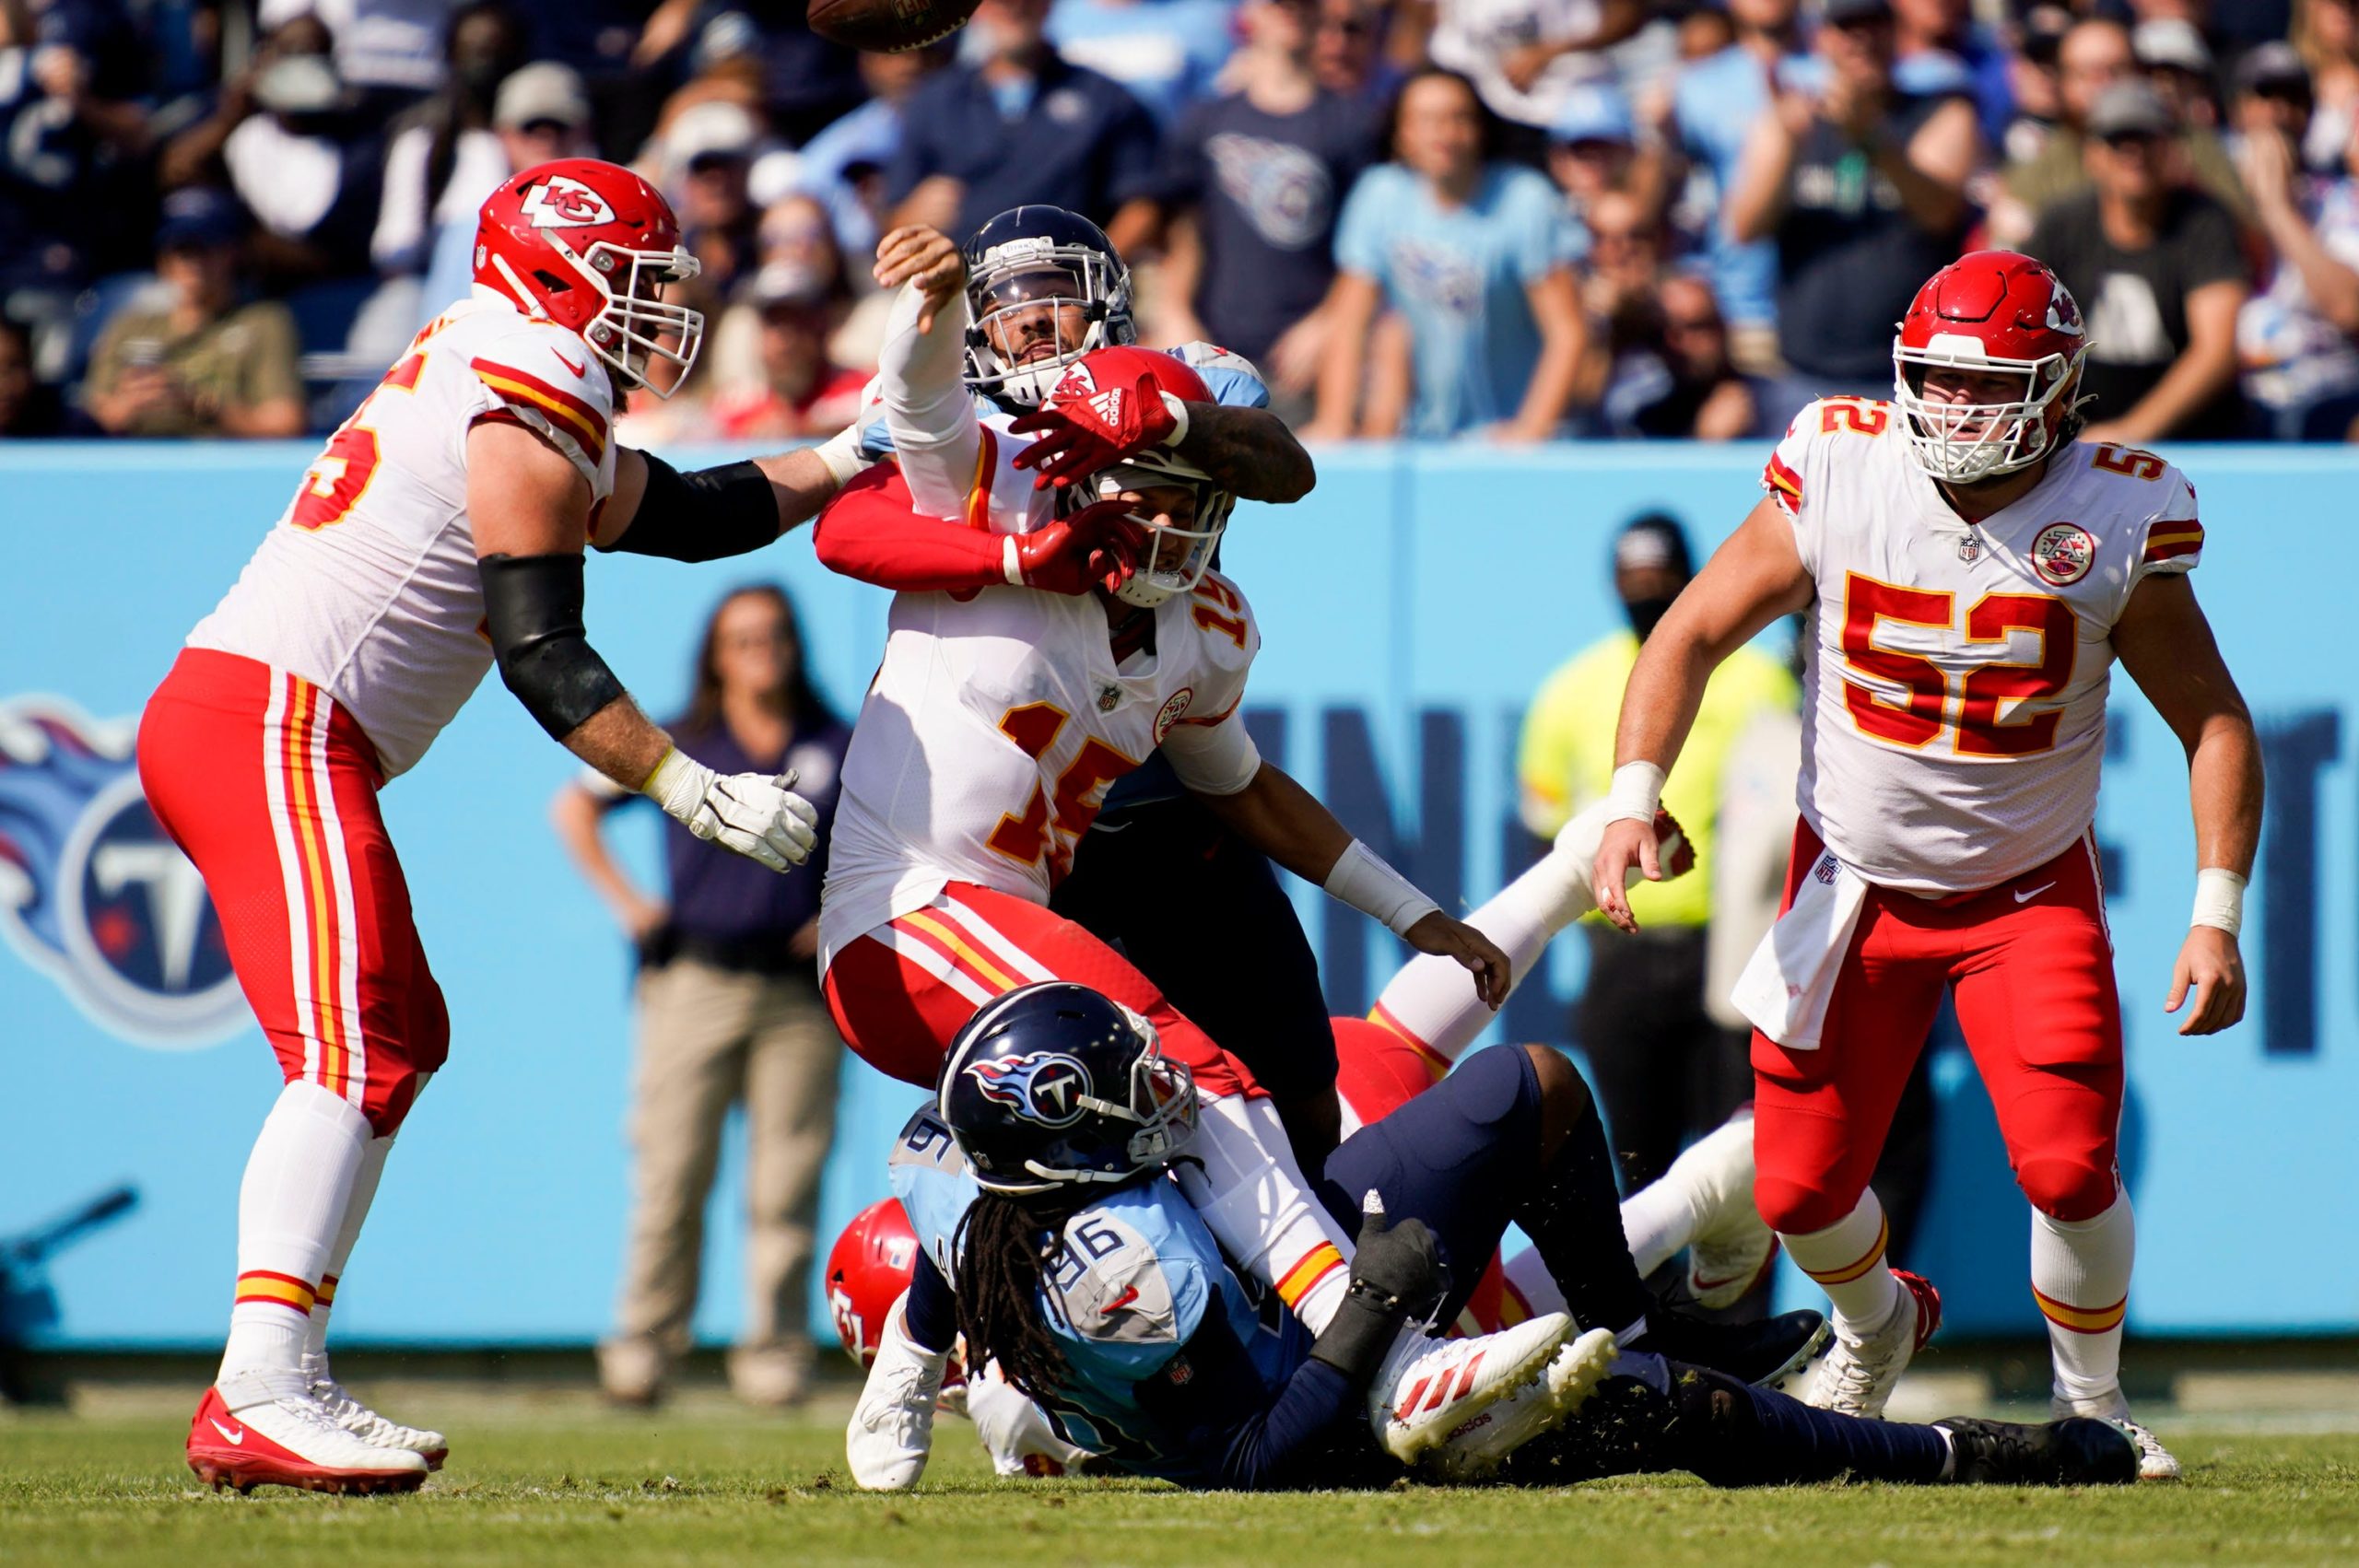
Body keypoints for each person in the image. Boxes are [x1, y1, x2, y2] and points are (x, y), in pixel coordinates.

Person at [148, 157, 879, 1495]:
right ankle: (257, 1380)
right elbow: (544, 652)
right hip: (269, 719)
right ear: (559, 268)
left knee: (399, 1032)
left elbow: (693, 514)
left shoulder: (518, 366)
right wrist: (684, 785)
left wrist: (846, 453)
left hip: (287, 724)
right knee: (355, 1042)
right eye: (641, 282)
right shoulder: (529, 372)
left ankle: (285, 1368)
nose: (662, 312)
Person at [810, 243, 1548, 1468]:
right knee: (1182, 1059)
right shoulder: (1004, 502)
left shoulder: (1204, 628)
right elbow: (921, 410)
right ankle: (1392, 1356)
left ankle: (948, 1367)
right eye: (1145, 488)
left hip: (1001, 950)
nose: (1166, 521)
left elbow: (1243, 789)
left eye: (1191, 498)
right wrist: (929, 303)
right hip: (902, 908)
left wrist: (1413, 912)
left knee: (1122, 1153)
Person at [1590, 250, 2264, 1482]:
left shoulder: (2117, 507)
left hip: (2024, 893)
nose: (1955, 410)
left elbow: (2213, 719)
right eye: (1938, 379)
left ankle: (2094, 1402)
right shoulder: (1844, 464)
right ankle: (1876, 1321)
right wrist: (1633, 796)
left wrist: (2216, 910)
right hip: (1850, 882)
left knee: (2066, 1164)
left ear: (2060, 391)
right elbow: (1687, 629)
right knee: (1796, 1193)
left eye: (1987, 384)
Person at [854, 979, 2139, 1492]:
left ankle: (1638, 1303)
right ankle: (1958, 1451)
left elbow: (939, 1275)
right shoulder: (1114, 1272)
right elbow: (1256, 1457)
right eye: (1124, 1084)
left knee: (1531, 1085)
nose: (1158, 1082)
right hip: (1339, 1399)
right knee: (1667, 1411)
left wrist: (908, 1365)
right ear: (1066, 1143)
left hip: (1278, 1279)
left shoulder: (977, 1186)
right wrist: (1367, 1314)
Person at [841, 205, 1343, 1170]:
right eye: (1005, 303)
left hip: (1158, 768)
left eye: (1052, 294)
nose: (1030, 320)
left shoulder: (1180, 374)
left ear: (1107, 300)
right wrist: (1023, 555)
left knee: (1292, 1087)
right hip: (1026, 820)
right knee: (1069, 1105)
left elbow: (1284, 464)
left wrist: (1164, 415)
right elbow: (844, 529)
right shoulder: (949, 407)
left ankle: (1322, 1285)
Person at [552, 584, 853, 1410]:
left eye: (774, 635)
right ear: (716, 655)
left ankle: (774, 1355)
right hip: (695, 979)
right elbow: (574, 806)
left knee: (786, 1183)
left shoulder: (836, 744)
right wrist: (631, 905)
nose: (762, 650)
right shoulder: (683, 741)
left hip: (799, 994)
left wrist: (838, 913)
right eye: (742, 637)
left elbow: (888, 845)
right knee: (671, 1174)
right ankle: (643, 1349)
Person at [1519, 515, 1794, 1198]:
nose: (1649, 595)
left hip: (1727, 954)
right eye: (1635, 583)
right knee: (1638, 1162)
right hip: (1624, 957)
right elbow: (1543, 826)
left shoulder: (1758, 680)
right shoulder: (1571, 690)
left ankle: (1735, 1309)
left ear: (1693, 579)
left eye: (1664, 581)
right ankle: (1649, 1306)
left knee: (1736, 1161)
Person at [1109, 0, 1383, 408]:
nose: (1291, 11)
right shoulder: (1207, 118)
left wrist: (1327, 325)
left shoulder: (1353, 123)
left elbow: (1366, 245)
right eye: (1277, 4)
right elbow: (1185, 229)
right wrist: (1176, 309)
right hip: (1215, 348)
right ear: (1248, 14)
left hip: (1306, 355)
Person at [1725, 0, 1978, 434]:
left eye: (1874, 25)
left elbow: (1940, 213)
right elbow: (1744, 228)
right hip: (1802, 374)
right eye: (1846, 28)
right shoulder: (1791, 123)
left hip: (1911, 377)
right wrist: (1788, 147)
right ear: (1821, 39)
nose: (1861, 40)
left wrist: (1871, 139)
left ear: (1896, 33)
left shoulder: (1940, 113)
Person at [1309, 67, 1585, 440]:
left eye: (1458, 118)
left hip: (1507, 440)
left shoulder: (1525, 200)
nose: (1444, 133)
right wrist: (1335, 422)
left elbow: (1567, 332)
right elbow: (1348, 322)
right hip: (1422, 440)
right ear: (1401, 134)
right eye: (1426, 120)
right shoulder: (1379, 196)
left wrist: (1530, 431)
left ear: (1480, 128)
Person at [2026, 80, 2249, 444]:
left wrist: (2131, 434)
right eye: (2117, 140)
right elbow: (2026, 327)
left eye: (2145, 138)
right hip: (2076, 438)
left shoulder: (2204, 224)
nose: (2133, 153)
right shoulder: (2061, 226)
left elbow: (2216, 351)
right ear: (2092, 154)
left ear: (2169, 147)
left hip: (2195, 441)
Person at [885, 0, 1163, 241]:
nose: (1015, 7)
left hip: (1069, 281)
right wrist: (912, 216)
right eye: (999, 1)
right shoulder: (935, 101)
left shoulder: (1105, 98)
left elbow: (1143, 205)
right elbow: (893, 221)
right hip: (961, 279)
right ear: (977, 8)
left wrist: (1100, 267)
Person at [1989, 17, 2248, 248]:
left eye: (2117, 70)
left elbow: (2248, 236)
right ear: (2064, 85)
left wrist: (2188, 187)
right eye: (2088, 74)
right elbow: (2008, 228)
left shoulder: (2188, 143)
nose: (2104, 85)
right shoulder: (2052, 154)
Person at [84, 188, 306, 439]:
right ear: (164, 260)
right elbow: (89, 420)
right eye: (182, 250)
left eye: (205, 249)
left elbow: (285, 424)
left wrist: (198, 404)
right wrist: (129, 405)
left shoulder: (262, 322)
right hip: (134, 460)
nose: (193, 263)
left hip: (222, 464)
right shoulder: (130, 326)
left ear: (231, 254)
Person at [2235, 55, 2359, 439]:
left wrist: (2278, 207)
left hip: (2328, 394)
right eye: (2264, 97)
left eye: (2293, 100)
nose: (2279, 113)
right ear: (2238, 109)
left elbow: (2348, 308)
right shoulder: (2209, 195)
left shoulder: (2340, 199)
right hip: (2238, 398)